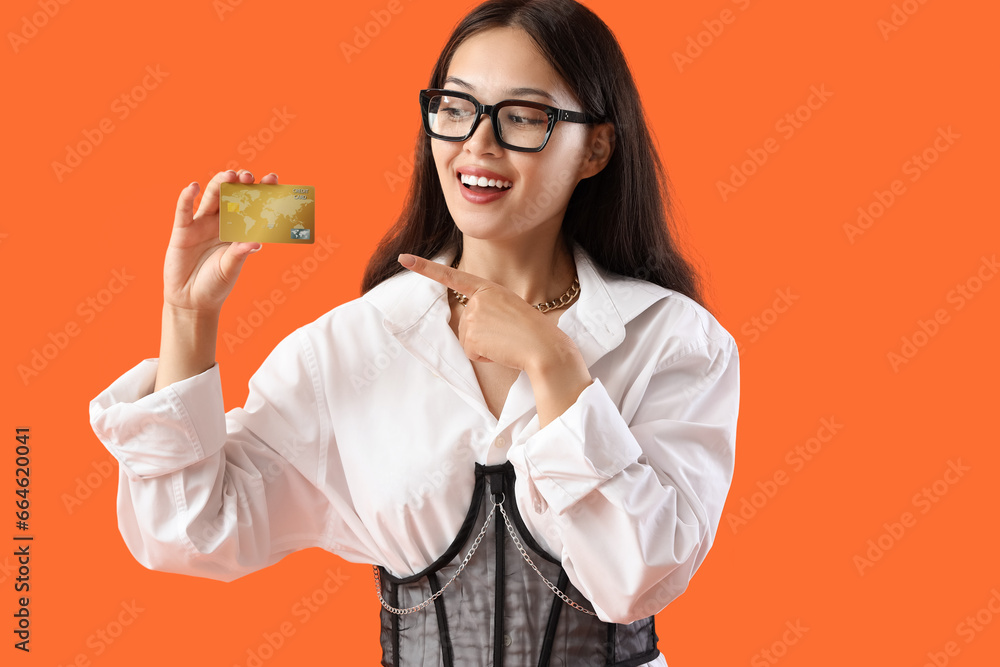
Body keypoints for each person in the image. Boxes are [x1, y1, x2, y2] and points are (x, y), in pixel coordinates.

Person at [88, 1, 740, 665]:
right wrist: (187, 317)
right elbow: (192, 530)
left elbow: (642, 577)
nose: (478, 144)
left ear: (595, 148)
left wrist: (554, 365)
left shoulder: (674, 338)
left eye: (521, 117)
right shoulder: (355, 343)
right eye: (456, 108)